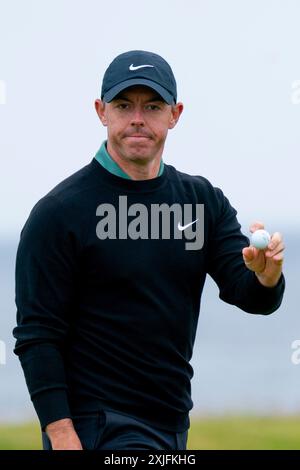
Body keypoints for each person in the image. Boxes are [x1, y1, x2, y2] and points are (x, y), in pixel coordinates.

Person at [13, 50, 285, 451]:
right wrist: (60, 433)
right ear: (101, 111)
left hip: (172, 420)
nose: (137, 118)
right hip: (97, 426)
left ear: (174, 114)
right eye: (124, 105)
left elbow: (251, 294)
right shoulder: (59, 213)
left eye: (152, 106)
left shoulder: (201, 202)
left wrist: (267, 275)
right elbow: (37, 334)